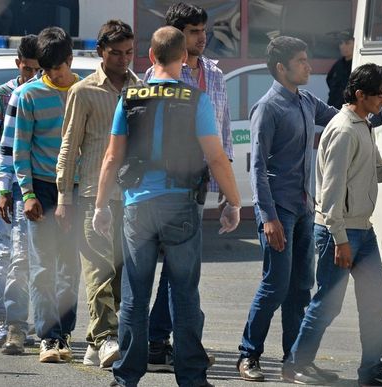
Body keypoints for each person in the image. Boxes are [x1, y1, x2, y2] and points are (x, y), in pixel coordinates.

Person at [237, 36, 382, 382]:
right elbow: (256, 168)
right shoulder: (267, 108)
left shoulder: (305, 101)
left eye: (306, 58)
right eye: (301, 61)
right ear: (281, 68)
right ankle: (248, 355)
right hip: (279, 211)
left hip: (304, 208)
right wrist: (267, 216)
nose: (308, 65)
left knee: (301, 288)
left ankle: (295, 359)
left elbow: (348, 119)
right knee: (275, 285)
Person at [93, 25, 241, 387]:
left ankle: (126, 376)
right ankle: (192, 377)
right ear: (184, 58)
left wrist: (100, 206)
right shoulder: (196, 99)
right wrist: (233, 202)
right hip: (181, 204)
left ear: (151, 57)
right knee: (185, 292)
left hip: (137, 205)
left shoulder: (129, 97)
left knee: (134, 295)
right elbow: (216, 157)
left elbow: (112, 157)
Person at [283, 63, 382, 386]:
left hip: (361, 231)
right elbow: (330, 193)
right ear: (360, 94)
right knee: (327, 304)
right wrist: (340, 239)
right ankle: (296, 365)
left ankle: (372, 370)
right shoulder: (343, 130)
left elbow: (379, 171)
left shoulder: (362, 125)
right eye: (379, 95)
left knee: (375, 302)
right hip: (339, 233)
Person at [143, 2, 233, 372]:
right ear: (177, 36)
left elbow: (223, 132)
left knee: (183, 268)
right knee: (166, 268)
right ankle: (160, 341)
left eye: (203, 29)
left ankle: (164, 340)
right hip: (163, 188)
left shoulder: (214, 75)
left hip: (198, 187)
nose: (203, 36)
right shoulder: (156, 78)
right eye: (194, 31)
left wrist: (226, 188)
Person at [55, 19, 141, 368]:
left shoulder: (141, 88)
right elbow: (68, 145)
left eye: (129, 53)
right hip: (93, 194)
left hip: (132, 196)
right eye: (116, 53)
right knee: (98, 270)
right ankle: (106, 338)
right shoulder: (84, 91)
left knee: (122, 272)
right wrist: (64, 198)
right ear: (100, 52)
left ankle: (95, 342)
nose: (124, 60)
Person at [13, 26, 81, 363]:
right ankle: (48, 337)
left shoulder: (85, 90)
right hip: (41, 187)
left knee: (70, 266)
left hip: (77, 188)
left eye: (58, 67)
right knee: (42, 267)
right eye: (46, 68)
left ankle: (65, 331)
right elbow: (20, 149)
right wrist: (26, 194)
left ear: (69, 59)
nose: (53, 74)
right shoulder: (29, 95)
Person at [0, 34, 40, 351]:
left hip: (37, 189)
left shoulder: (45, 94)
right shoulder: (2, 95)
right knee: (5, 255)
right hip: (8, 188)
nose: (31, 76)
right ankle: (1, 320)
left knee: (32, 258)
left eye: (37, 70)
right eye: (26, 69)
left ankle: (27, 323)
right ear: (18, 65)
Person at [326, 29, 354, 109]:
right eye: (341, 43)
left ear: (356, 43)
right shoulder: (338, 65)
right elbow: (329, 79)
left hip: (349, 111)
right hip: (333, 108)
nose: (343, 46)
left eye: (347, 43)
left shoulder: (359, 65)